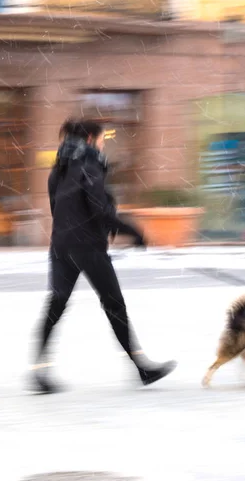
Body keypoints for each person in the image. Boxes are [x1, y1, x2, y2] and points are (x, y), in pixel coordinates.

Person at [31, 119, 177, 393]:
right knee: (114, 306)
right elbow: (100, 210)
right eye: (101, 139)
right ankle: (141, 367)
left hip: (62, 246)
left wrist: (81, 231)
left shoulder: (59, 168)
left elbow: (58, 209)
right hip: (88, 249)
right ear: (89, 139)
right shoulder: (89, 166)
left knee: (56, 305)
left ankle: (38, 371)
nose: (102, 143)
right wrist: (134, 232)